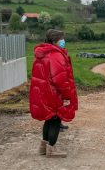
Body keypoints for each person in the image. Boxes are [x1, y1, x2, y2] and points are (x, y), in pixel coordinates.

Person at [29, 29, 78, 158]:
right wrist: (67, 96)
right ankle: (52, 150)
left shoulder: (42, 54)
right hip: (54, 94)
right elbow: (60, 79)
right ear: (56, 40)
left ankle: (43, 148)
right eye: (62, 39)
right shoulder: (55, 55)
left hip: (44, 93)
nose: (63, 41)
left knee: (49, 119)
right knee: (56, 119)